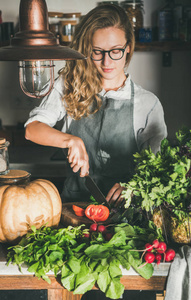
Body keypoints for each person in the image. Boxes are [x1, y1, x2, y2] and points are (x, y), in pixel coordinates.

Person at [25, 4, 167, 206]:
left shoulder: (148, 104)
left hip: (127, 213)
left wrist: (134, 186)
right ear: (87, 50)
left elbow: (158, 168)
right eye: (97, 51)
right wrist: (69, 140)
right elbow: (32, 130)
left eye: (115, 51)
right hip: (75, 208)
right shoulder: (68, 85)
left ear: (128, 49)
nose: (106, 61)